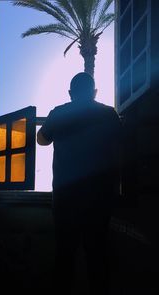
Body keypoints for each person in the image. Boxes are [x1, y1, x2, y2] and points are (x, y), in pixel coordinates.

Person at [37, 72, 122, 295]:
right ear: (94, 92)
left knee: (64, 257)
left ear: (70, 93)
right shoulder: (108, 114)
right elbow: (121, 149)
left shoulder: (59, 113)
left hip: (65, 200)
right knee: (98, 257)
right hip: (100, 199)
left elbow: (42, 140)